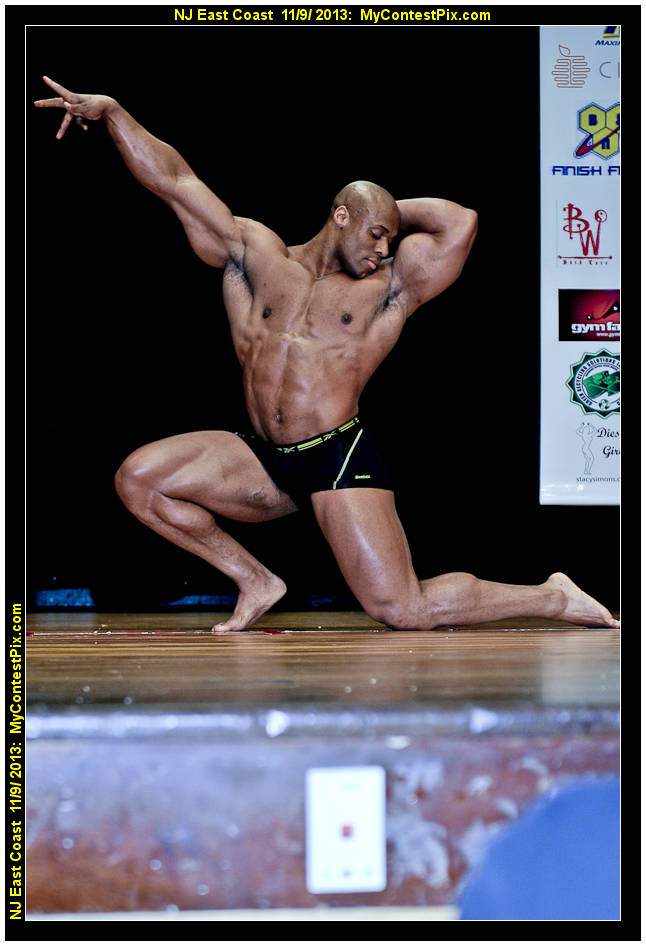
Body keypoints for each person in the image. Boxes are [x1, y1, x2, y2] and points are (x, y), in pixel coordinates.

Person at [35, 76, 619, 633]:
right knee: (139, 479)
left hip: (337, 457)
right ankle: (255, 580)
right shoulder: (255, 255)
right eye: (375, 234)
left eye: (390, 238)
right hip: (265, 456)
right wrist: (114, 113)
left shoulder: (386, 288)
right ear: (340, 217)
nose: (383, 248)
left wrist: (382, 210)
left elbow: (460, 222)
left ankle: (554, 596)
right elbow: (176, 181)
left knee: (402, 609)